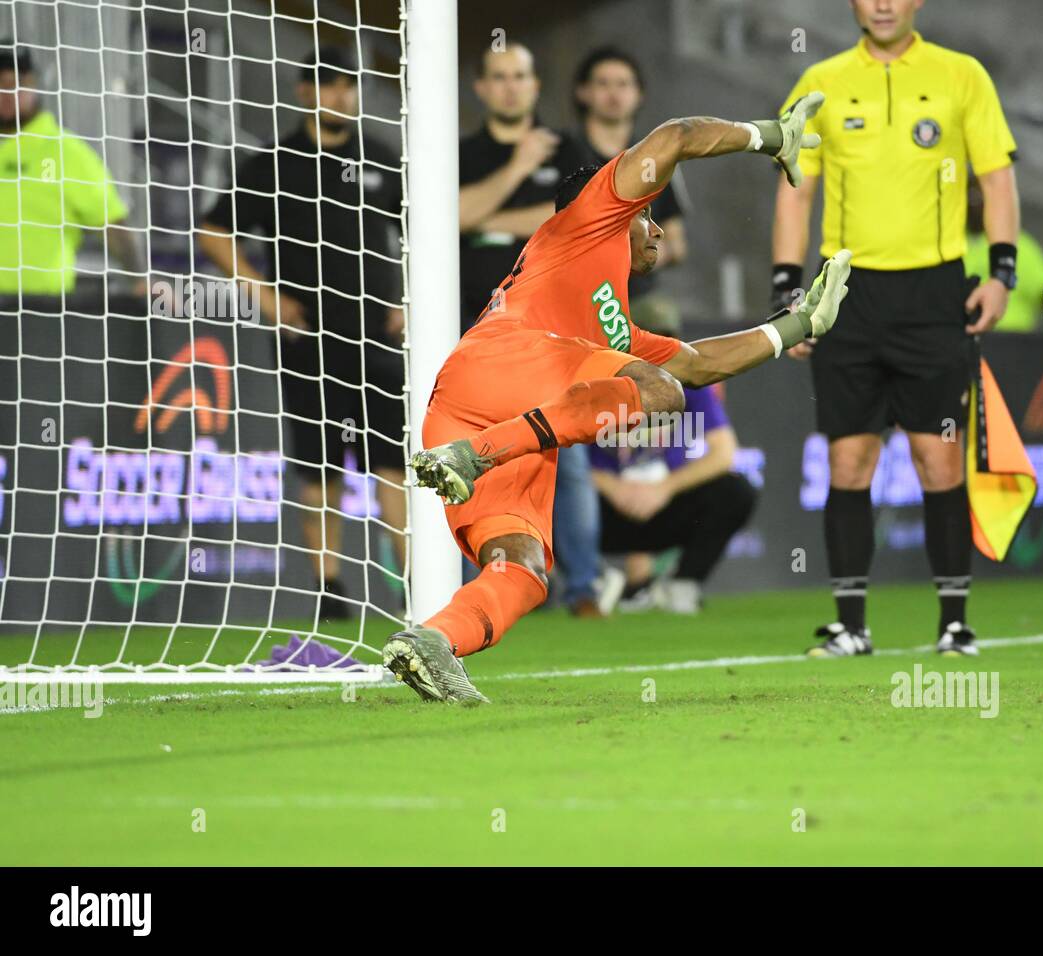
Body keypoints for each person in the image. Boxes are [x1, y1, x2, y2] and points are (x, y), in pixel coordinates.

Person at [382, 95, 851, 702]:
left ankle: (434, 644)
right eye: (648, 215)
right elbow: (679, 132)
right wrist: (768, 136)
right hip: (505, 367)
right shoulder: (590, 215)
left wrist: (798, 325)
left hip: (480, 414)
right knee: (658, 392)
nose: (654, 227)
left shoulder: (618, 329)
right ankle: (472, 456)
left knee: (523, 568)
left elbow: (701, 363)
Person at [770, 0, 1020, 658]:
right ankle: (851, 626)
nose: (882, 3)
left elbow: (997, 179)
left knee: (938, 459)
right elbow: (795, 189)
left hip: (935, 291)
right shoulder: (819, 83)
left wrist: (1002, 273)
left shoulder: (961, 74)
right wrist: (787, 293)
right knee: (848, 460)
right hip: (846, 292)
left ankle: (954, 625)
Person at [198, 46, 406, 621]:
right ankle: (328, 587)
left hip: (377, 338)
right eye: (330, 85)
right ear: (304, 92)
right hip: (306, 339)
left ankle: (414, 583)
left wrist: (410, 298)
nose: (342, 95)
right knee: (319, 465)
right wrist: (265, 296)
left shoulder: (381, 158)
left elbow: (422, 230)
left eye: (350, 85)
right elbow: (214, 232)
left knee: (391, 461)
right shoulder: (274, 163)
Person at [459, 43, 602, 616]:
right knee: (479, 460)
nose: (510, 87)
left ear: (536, 84)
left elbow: (577, 218)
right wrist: (517, 168)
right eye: (499, 77)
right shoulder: (460, 151)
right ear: (481, 88)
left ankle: (584, 587)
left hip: (552, 328)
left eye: (520, 76)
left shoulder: (569, 147)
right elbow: (444, 214)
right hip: (473, 329)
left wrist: (480, 218)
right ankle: (513, 578)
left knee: (567, 459)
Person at [589, 379, 756, 615]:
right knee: (544, 493)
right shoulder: (589, 378)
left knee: (735, 491)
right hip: (599, 507)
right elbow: (561, 458)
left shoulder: (688, 382)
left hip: (663, 503)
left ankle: (683, 582)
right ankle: (588, 578)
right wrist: (612, 487)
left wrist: (664, 488)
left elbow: (724, 453)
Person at [0, 42, 144, 297]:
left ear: (32, 83)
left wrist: (140, 280)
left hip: (42, 311)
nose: (5, 94)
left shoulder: (61, 151)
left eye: (13, 84)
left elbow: (110, 222)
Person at [571, 46, 690, 322]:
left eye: (623, 84)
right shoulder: (563, 152)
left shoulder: (658, 157)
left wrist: (631, 259)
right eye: (603, 83)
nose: (613, 93)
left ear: (639, 94)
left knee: (662, 317)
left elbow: (677, 245)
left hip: (636, 299)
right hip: (572, 294)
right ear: (583, 92)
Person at [962, 183, 1043, 333]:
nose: (973, 204)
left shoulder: (1018, 244)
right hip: (961, 336)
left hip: (1011, 341)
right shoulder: (950, 242)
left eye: (979, 196)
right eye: (969, 196)